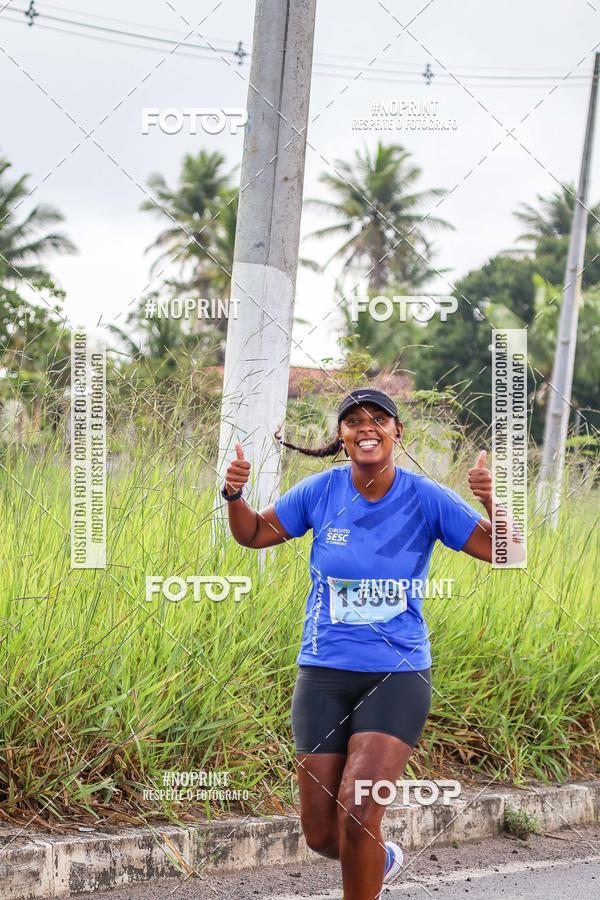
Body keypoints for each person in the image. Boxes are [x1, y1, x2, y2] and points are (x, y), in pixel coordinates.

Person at [222, 388, 521, 900]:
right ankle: (383, 859)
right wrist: (234, 496)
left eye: (378, 419)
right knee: (321, 834)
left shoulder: (425, 497)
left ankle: (367, 863)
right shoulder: (320, 492)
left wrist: (491, 500)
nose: (367, 427)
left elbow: (507, 555)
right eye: (354, 420)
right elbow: (252, 535)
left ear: (396, 431)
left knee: (358, 813)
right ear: (341, 436)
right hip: (323, 674)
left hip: (396, 676)